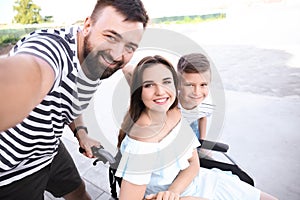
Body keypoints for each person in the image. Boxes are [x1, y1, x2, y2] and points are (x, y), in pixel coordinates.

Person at [0, 0, 148, 199]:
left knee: (79, 194)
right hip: (13, 170)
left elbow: (71, 98)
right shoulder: (51, 50)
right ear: (87, 25)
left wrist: (81, 132)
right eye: (111, 37)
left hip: (49, 149)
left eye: (129, 47)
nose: (116, 54)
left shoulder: (95, 56)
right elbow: (30, 72)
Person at [115, 55, 278, 200]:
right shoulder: (143, 141)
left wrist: (173, 192)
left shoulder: (174, 113)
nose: (160, 91)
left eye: (166, 81)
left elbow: (193, 163)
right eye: (148, 85)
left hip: (199, 182)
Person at [177, 53, 215, 140]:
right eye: (190, 85)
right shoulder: (171, 102)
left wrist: (202, 140)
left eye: (203, 84)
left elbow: (202, 117)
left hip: (193, 133)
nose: (197, 92)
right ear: (178, 84)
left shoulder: (205, 103)